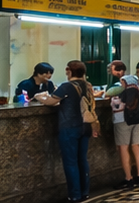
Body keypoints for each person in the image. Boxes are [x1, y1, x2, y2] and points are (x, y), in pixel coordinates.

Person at [36, 59, 98, 203]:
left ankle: (74, 195)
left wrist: (40, 98)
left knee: (70, 162)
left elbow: (51, 101)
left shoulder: (67, 86)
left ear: (68, 71)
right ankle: (85, 192)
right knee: (82, 160)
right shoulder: (88, 85)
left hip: (70, 126)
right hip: (86, 126)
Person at [104, 59, 139, 188]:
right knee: (135, 146)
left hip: (123, 118)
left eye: (111, 69)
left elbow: (108, 94)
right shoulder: (134, 80)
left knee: (123, 148)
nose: (109, 72)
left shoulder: (121, 82)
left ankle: (128, 178)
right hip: (138, 116)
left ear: (118, 70)